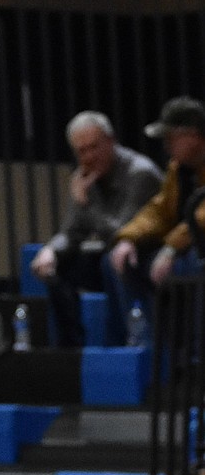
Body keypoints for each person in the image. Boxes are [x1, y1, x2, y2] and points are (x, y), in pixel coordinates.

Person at [29, 110, 162, 346]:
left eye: (94, 147)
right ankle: (71, 352)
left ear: (111, 142)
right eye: (81, 151)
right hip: (114, 254)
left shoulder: (140, 173)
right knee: (58, 267)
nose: (89, 156)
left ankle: (131, 344)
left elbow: (122, 233)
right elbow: (72, 232)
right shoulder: (87, 178)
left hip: (146, 255)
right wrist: (50, 250)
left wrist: (86, 203)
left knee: (113, 259)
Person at [109, 96, 205, 327]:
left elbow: (201, 217)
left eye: (171, 138)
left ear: (192, 136)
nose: (166, 146)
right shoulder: (178, 168)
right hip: (186, 245)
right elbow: (159, 210)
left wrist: (170, 248)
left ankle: (195, 351)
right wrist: (128, 239)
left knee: (192, 265)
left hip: (195, 248)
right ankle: (148, 343)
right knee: (123, 261)